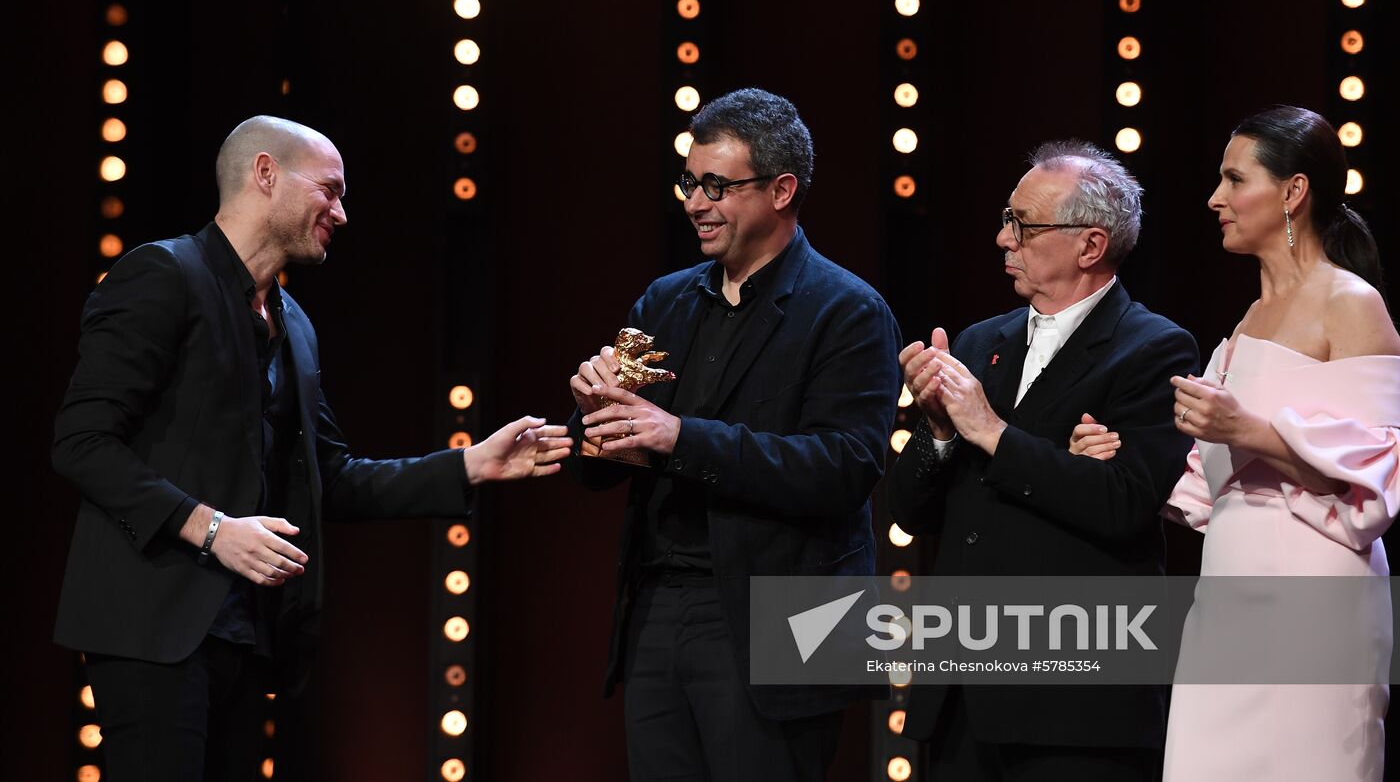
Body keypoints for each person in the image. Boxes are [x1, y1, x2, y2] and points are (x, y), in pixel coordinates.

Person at [51, 115, 572, 782]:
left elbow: (332, 476)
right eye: (329, 190)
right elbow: (81, 442)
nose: (342, 213)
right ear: (265, 174)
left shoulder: (294, 324)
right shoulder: (163, 274)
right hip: (154, 628)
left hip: (249, 637)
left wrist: (473, 464)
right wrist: (211, 530)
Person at [565, 88, 902, 782]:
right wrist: (594, 417)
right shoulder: (664, 300)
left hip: (784, 617)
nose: (695, 203)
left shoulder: (849, 311)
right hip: (660, 607)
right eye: (690, 181)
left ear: (782, 190)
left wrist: (678, 436)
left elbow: (847, 466)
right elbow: (599, 461)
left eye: (717, 185)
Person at [1073, 106, 1400, 781]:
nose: (1214, 199)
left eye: (1233, 179)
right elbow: (1219, 479)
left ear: (1293, 192)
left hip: (1314, 600)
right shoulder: (1248, 321)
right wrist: (1122, 457)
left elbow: (1380, 471)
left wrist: (1244, 428)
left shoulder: (1351, 302)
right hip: (1227, 597)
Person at [886, 140, 1199, 780]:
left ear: (1090, 245)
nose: (1004, 238)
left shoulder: (1152, 349)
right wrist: (942, 430)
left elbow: (1123, 504)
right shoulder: (980, 341)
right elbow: (908, 512)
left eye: (1023, 225)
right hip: (961, 694)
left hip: (1075, 704)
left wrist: (992, 431)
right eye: (1007, 219)